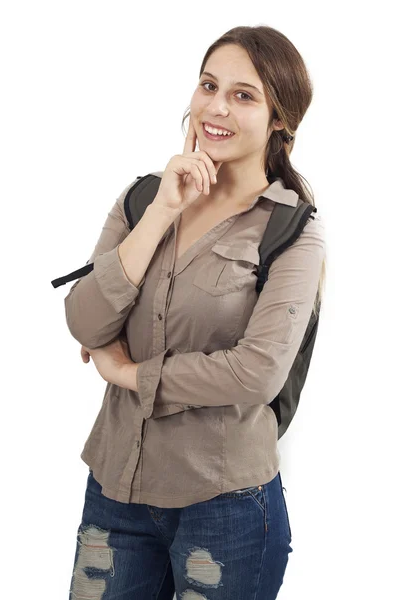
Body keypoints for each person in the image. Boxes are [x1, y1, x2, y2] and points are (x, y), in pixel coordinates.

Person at [67, 25, 326, 600]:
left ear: (280, 118)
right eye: (209, 85)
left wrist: (128, 373)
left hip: (227, 507)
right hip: (115, 492)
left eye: (243, 95)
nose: (215, 107)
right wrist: (163, 212)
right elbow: (85, 323)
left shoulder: (293, 231)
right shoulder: (141, 200)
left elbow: (257, 372)